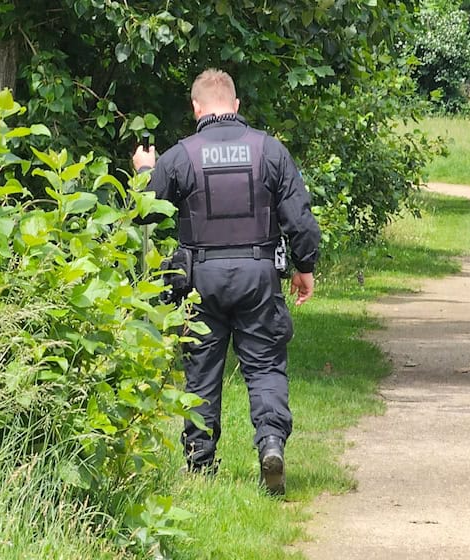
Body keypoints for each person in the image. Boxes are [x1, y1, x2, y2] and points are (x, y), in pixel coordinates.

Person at [132, 69, 320, 495]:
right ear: (235, 106)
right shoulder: (269, 150)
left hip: (200, 278)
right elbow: (301, 220)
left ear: (197, 109)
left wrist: (145, 170)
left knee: (200, 370)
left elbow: (145, 212)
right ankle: (271, 444)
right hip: (258, 275)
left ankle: (200, 464)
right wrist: (304, 267)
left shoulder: (180, 156)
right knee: (266, 366)